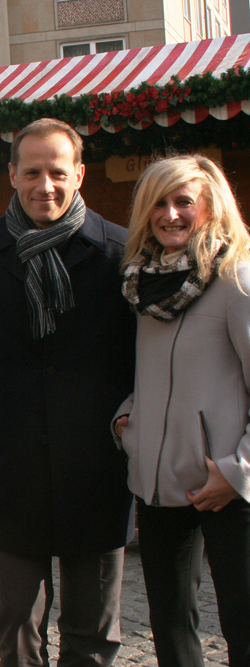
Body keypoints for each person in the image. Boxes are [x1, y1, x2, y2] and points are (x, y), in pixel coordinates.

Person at [0, 118, 135, 666]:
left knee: (93, 631)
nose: (44, 185)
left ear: (79, 173)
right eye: (31, 172)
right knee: (16, 627)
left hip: (98, 469)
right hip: (13, 467)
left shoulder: (119, 254)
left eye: (57, 172)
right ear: (11, 174)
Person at [113, 154, 250, 667]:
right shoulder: (142, 285)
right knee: (171, 629)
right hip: (159, 484)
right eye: (158, 205)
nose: (170, 214)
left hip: (229, 490)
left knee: (243, 624)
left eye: (183, 202)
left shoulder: (237, 279)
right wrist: (129, 422)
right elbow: (151, 377)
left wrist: (237, 473)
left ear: (210, 207)